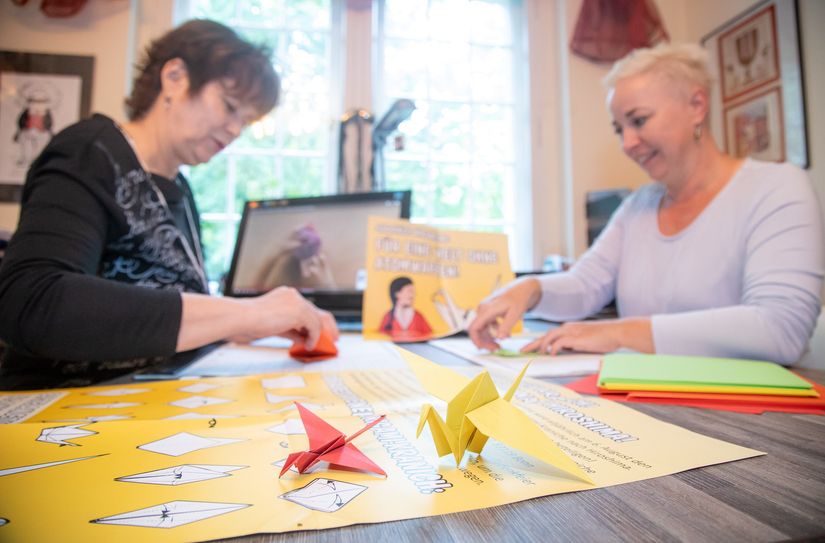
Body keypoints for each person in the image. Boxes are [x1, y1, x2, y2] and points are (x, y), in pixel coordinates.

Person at [0, 20, 338, 390]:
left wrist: (248, 324)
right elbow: (32, 302)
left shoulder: (179, 188)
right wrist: (247, 313)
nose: (235, 130)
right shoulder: (91, 152)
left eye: (246, 121)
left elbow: (162, 319)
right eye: (229, 107)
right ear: (175, 77)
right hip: (64, 411)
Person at [468, 43, 824, 366]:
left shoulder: (775, 188)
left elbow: (782, 328)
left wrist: (620, 333)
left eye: (638, 121)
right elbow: (586, 284)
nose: (627, 142)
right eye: (619, 129)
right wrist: (530, 289)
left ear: (697, 106)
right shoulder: (637, 207)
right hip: (645, 404)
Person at [379, 276, 433, 342]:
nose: (412, 295)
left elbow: (430, 335)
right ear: (397, 293)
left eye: (413, 292)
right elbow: (381, 335)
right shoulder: (388, 317)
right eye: (409, 291)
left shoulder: (419, 316)